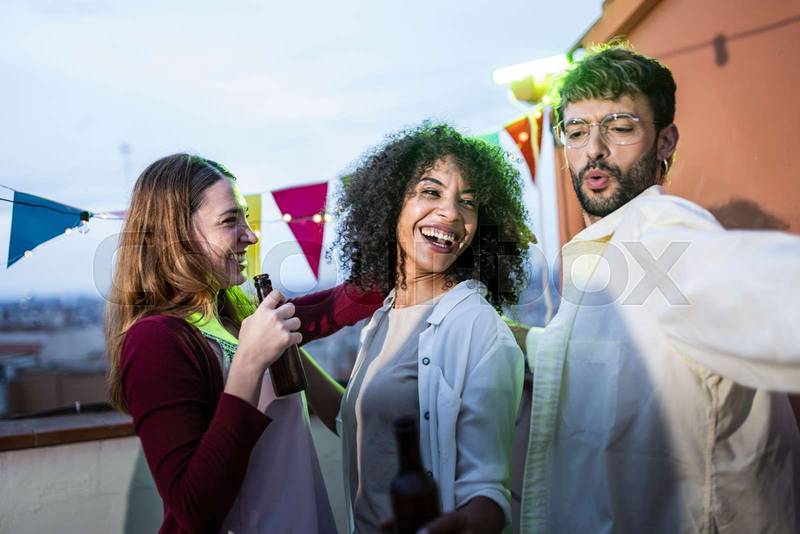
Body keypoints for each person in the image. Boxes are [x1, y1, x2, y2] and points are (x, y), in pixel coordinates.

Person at [519, 44, 800, 533]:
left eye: (621, 127)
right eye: (577, 131)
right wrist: (516, 338)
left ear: (665, 141)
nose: (594, 150)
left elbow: (781, 295)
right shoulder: (602, 253)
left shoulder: (657, 231)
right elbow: (592, 357)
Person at [105, 154, 382, 534]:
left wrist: (410, 271)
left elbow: (332, 308)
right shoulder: (155, 341)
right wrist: (248, 365)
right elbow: (193, 509)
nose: (250, 236)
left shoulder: (235, 317)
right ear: (176, 235)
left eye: (247, 219)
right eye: (230, 221)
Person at [300, 123, 534, 533]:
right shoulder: (384, 317)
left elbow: (489, 496)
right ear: (392, 206)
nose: (451, 213)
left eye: (469, 202)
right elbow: (360, 421)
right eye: (431, 192)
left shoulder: (478, 328)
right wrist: (285, 349)